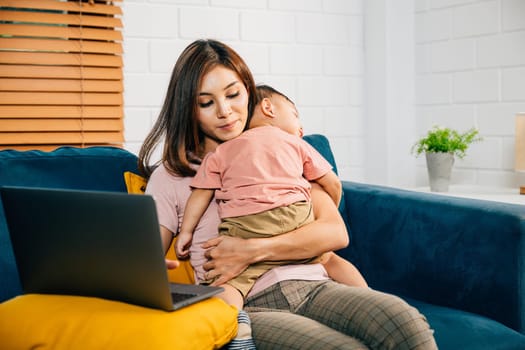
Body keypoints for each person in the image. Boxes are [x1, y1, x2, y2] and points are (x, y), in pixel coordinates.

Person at [139, 39, 437, 350]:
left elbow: (333, 232)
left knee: (405, 321)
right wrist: (152, 273)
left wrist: (251, 249)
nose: (225, 111)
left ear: (248, 90)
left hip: (315, 285)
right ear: (189, 109)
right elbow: (144, 262)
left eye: (233, 94)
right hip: (249, 304)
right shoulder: (171, 177)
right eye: (206, 102)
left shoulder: (283, 148)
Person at [176, 84, 367, 308]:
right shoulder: (295, 142)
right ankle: (368, 296)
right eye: (295, 115)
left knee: (229, 282)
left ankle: (236, 326)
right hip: (293, 217)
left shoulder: (223, 150)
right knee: (329, 259)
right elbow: (333, 183)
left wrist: (186, 231)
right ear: (268, 107)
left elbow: (200, 193)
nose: (301, 128)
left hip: (244, 227)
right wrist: (328, 207)